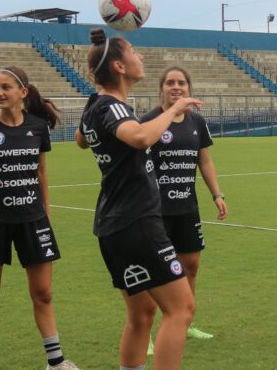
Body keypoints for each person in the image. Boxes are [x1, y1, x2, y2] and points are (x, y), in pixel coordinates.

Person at [74, 29, 198, 370]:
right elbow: (141, 136)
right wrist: (175, 109)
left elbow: (81, 140)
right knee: (181, 310)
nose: (140, 56)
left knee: (142, 314)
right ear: (119, 65)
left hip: (113, 225)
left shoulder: (97, 106)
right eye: (134, 52)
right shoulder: (111, 107)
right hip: (136, 222)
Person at [0, 66, 80, 370]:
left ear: (22, 93)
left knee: (43, 292)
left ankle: (56, 361)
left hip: (33, 219)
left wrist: (46, 215)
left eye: (5, 88)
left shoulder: (38, 127)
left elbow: (41, 172)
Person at [140, 66, 229, 347]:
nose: (176, 87)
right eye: (170, 83)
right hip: (154, 211)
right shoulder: (150, 121)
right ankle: (147, 333)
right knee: (152, 270)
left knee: (190, 266)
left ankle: (185, 322)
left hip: (187, 208)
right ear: (161, 89)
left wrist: (217, 194)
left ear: (189, 88)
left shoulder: (196, 121)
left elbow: (204, 160)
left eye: (181, 83)